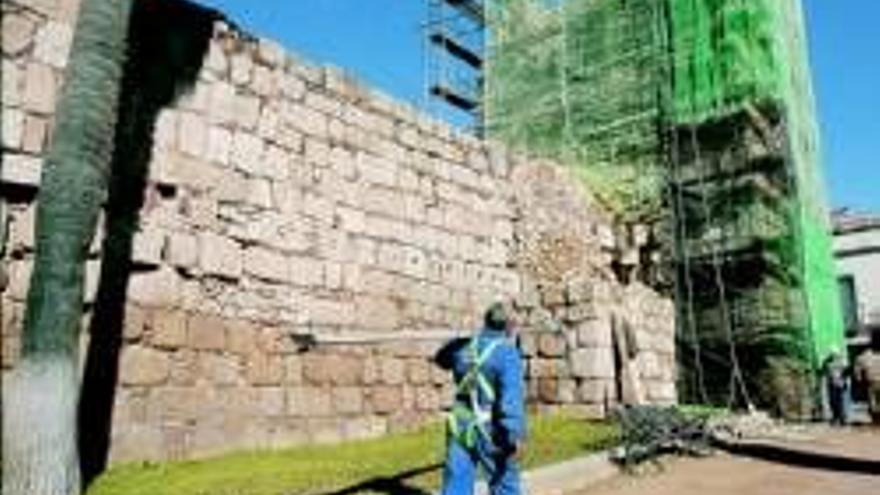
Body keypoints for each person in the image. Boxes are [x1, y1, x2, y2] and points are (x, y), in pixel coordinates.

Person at [437, 302, 526, 495]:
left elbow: (441, 359)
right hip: (492, 430)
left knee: (456, 482)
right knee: (504, 484)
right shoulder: (507, 353)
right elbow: (511, 400)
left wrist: (455, 342)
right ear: (509, 327)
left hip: (459, 425)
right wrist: (513, 434)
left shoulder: (462, 349)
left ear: (485, 322)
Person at [855, 329, 880, 425]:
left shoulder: (864, 356)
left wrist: (859, 380)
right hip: (871, 383)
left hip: (871, 382)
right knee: (873, 403)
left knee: (873, 403)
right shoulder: (864, 356)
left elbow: (857, 371)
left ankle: (876, 420)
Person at [822, 348, 850, 425]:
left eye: (835, 354)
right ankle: (836, 417)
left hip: (839, 384)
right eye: (832, 355)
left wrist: (844, 382)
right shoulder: (827, 362)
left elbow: (846, 372)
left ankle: (842, 418)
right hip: (832, 384)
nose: (834, 356)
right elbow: (824, 372)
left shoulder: (842, 362)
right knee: (833, 401)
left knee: (840, 401)